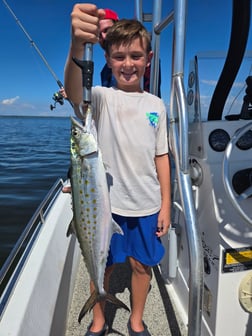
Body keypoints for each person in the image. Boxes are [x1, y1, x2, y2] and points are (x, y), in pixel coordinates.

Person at [64, 4, 171, 336]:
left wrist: (166, 204)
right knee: (107, 267)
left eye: (136, 56)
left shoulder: (157, 105)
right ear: (109, 60)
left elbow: (161, 157)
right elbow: (72, 91)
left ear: (148, 60)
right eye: (120, 57)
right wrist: (77, 45)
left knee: (142, 267)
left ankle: (135, 320)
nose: (128, 64)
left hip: (147, 205)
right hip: (109, 208)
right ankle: (99, 319)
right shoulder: (102, 98)